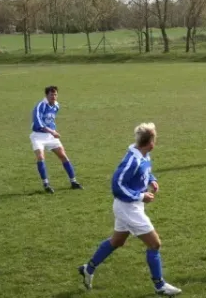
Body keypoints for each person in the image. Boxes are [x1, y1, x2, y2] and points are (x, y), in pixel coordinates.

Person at [78, 123, 182, 296]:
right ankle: (159, 285)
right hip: (129, 208)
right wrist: (141, 196)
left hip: (129, 207)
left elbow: (145, 171)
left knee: (117, 241)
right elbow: (117, 185)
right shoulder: (132, 159)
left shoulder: (143, 154)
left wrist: (152, 179)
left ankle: (88, 269)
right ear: (151, 143)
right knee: (155, 244)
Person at [30, 86, 82, 193]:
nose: (54, 97)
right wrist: (52, 131)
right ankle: (46, 184)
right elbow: (38, 123)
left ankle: (73, 181)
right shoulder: (41, 106)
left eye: (55, 94)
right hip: (38, 135)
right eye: (51, 95)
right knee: (40, 156)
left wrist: (52, 132)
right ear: (46, 95)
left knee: (63, 155)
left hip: (50, 136)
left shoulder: (56, 106)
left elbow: (51, 119)